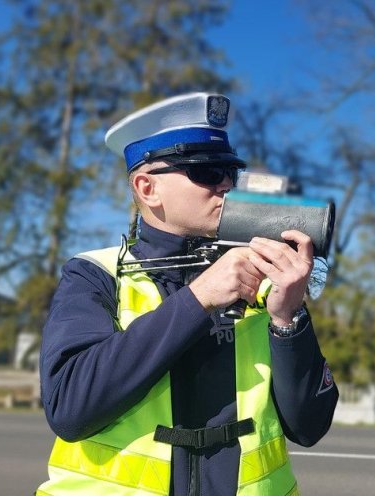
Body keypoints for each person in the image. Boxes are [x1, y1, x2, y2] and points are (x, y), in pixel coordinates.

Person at [36, 93, 338, 496]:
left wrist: (289, 319)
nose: (227, 186)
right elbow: (70, 409)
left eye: (231, 172)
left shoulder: (265, 283)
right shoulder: (95, 274)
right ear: (147, 188)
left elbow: (309, 426)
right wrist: (199, 298)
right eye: (208, 172)